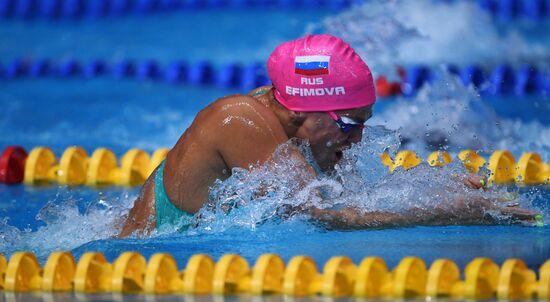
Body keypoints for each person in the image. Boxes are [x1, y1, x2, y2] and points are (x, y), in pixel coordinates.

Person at [120, 34, 538, 237]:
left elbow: (347, 199)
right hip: (142, 264)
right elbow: (332, 216)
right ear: (306, 109)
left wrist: (433, 187)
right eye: (348, 122)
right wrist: (456, 211)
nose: (356, 139)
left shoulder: (283, 121)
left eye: (363, 122)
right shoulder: (240, 120)